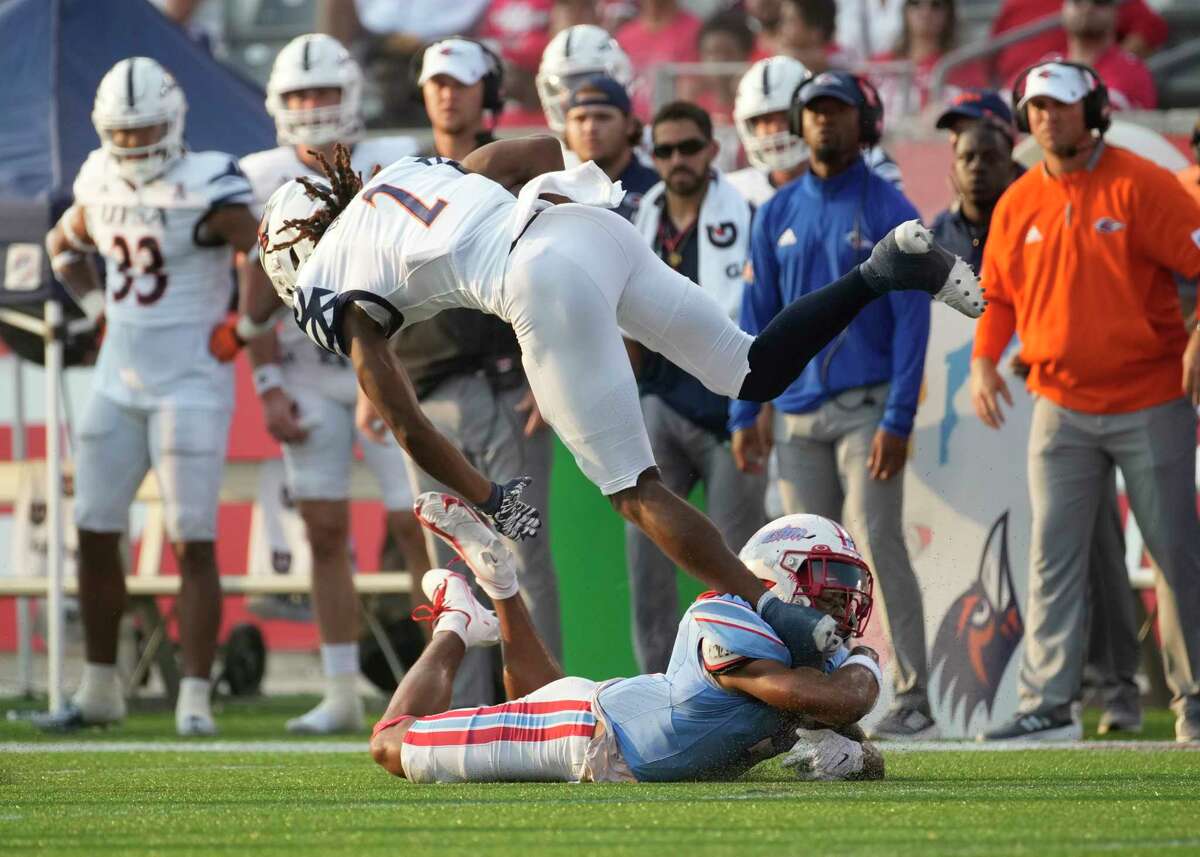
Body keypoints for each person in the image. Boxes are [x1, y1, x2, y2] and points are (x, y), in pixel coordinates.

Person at [256, 135, 982, 665]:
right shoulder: (408, 173)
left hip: (535, 276)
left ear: (296, 255)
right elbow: (536, 145)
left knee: (635, 492)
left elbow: (406, 425)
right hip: (584, 223)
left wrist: (493, 497)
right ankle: (887, 266)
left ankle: (779, 615)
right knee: (750, 367)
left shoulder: (328, 275)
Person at [970, 61, 1200, 743]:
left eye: (1062, 106)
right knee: (1052, 555)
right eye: (1037, 106)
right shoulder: (1017, 202)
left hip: (1151, 398)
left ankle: (1195, 701)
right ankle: (1048, 703)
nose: (1048, 117)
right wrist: (984, 360)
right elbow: (998, 295)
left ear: (1093, 110)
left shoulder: (1144, 183)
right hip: (1060, 404)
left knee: (1172, 554)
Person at [39, 57, 260, 735]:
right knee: (95, 531)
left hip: (191, 381)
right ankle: (100, 687)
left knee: (192, 539)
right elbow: (62, 243)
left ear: (174, 123)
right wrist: (98, 304)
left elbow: (267, 252)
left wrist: (244, 328)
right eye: (123, 133)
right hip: (118, 376)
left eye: (146, 131)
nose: (133, 145)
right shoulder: (98, 177)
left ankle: (194, 695)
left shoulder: (210, 182)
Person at [372, 495, 886, 784]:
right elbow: (835, 701)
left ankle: (500, 584)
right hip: (587, 734)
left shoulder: (814, 650)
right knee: (390, 745)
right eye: (828, 583)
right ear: (778, 574)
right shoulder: (729, 619)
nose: (841, 604)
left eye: (846, 588)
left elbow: (841, 727)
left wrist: (855, 755)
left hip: (609, 715)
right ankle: (456, 622)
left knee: (530, 696)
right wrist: (868, 661)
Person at [731, 70, 940, 741]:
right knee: (798, 566)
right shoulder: (776, 211)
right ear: (800, 122)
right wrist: (744, 411)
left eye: (838, 111)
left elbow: (914, 320)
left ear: (861, 121)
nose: (825, 122)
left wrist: (898, 416)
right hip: (795, 413)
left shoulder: (888, 207)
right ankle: (813, 702)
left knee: (877, 538)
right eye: (815, 111)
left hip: (866, 406)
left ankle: (914, 694)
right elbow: (753, 317)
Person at [931, 104, 1143, 735]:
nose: (976, 169)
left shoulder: (1043, 211)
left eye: (989, 156)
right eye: (965, 157)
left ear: (1013, 157)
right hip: (975, 425)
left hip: (1062, 404)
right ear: (951, 167)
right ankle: (988, 694)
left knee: (1095, 548)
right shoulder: (933, 240)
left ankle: (1116, 688)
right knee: (1002, 556)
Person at [238, 34, 427, 734]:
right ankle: (342, 688)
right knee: (323, 529)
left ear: (349, 95)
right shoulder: (255, 175)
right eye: (298, 96)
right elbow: (249, 289)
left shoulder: (391, 161)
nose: (313, 108)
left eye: (322, 93)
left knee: (419, 526)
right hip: (303, 370)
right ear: (276, 105)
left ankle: (433, 674)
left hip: (382, 364)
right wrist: (265, 382)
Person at [384, 39, 564, 701]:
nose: (447, 94)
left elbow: (551, 263)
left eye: (461, 83)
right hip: (424, 393)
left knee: (523, 554)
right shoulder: (403, 172)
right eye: (436, 83)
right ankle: (460, 712)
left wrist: (548, 369)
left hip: (502, 385)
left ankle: (544, 703)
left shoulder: (517, 168)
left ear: (487, 91)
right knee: (448, 566)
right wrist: (370, 379)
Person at [625, 101, 765, 672]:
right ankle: (655, 684)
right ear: (652, 156)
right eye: (664, 150)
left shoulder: (748, 213)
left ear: (713, 148)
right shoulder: (639, 216)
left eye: (689, 147)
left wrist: (758, 408)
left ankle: (747, 680)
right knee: (647, 555)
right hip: (659, 399)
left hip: (728, 403)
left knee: (739, 558)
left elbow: (761, 315)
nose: (677, 160)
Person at [990, 0, 1167, 84]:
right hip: (1024, 87)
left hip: (1077, 88)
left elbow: (1151, 28)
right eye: (1077, 2)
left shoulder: (1125, 72)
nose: (1086, 8)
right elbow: (991, 50)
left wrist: (1107, 65)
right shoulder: (1013, 4)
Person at [561, 76, 659, 221]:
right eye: (580, 118)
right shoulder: (556, 195)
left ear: (630, 124)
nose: (590, 128)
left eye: (602, 117)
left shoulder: (658, 192)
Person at [871, 0, 986, 119]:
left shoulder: (963, 66)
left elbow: (978, 116)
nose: (925, 13)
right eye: (915, 3)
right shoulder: (878, 63)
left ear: (948, 13)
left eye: (936, 5)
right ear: (904, 11)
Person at [535, 24, 635, 137]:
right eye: (563, 86)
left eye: (584, 83)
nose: (570, 97)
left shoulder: (649, 145)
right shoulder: (549, 151)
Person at [1055, 0, 1156, 110]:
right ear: (1063, 9)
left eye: (1099, 2)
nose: (1087, 7)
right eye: (1077, 1)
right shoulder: (1049, 65)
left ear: (1115, 13)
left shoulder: (1132, 70)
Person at [615, 0, 702, 121]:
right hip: (633, 127)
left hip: (673, 124)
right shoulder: (624, 36)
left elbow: (690, 91)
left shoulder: (695, 30)